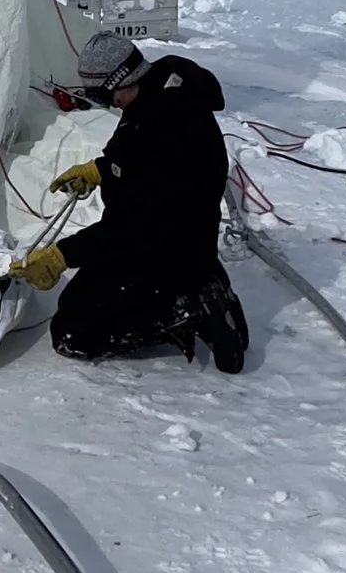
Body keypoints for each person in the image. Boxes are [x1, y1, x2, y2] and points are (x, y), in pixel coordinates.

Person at [13, 28, 250, 371]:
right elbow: (139, 160)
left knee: (72, 334)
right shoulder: (159, 93)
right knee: (73, 300)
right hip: (173, 235)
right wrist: (101, 170)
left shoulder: (165, 127)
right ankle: (201, 280)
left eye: (103, 94)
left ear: (120, 79)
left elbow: (135, 229)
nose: (108, 104)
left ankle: (188, 307)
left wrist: (62, 255)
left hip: (163, 250)